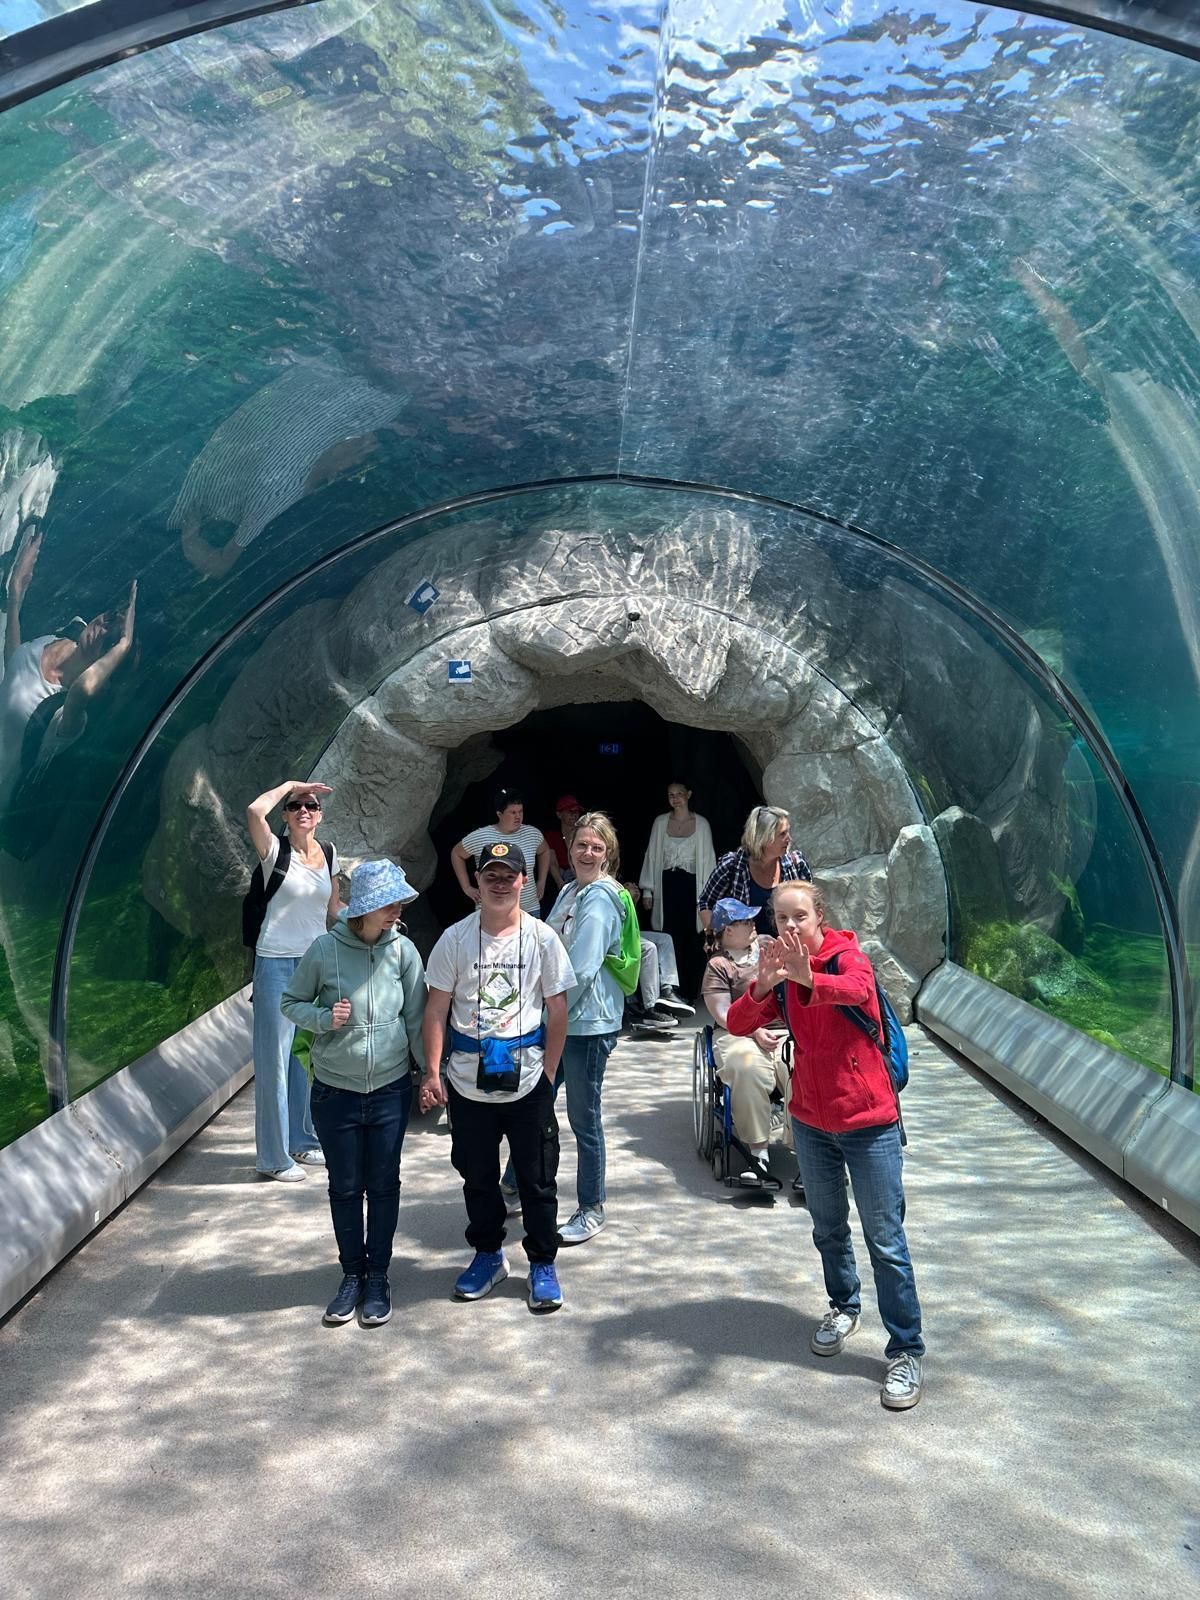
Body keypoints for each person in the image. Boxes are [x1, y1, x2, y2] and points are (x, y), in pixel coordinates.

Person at [727, 880, 924, 1411]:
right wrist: (763, 985)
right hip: (812, 1123)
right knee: (828, 1227)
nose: (790, 926)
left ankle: (906, 1349)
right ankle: (843, 1306)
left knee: (885, 1240)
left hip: (868, 1122)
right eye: (781, 918)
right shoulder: (780, 970)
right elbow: (737, 1022)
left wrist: (807, 976)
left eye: (800, 916)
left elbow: (857, 991)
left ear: (819, 918)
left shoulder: (846, 957)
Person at [421, 841, 574, 1312]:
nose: (500, 883)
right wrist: (432, 1071)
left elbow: (558, 1008)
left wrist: (549, 1072)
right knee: (478, 1176)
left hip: (527, 1080)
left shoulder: (543, 939)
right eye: (491, 875)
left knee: (537, 1177)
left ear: (524, 882)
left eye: (509, 876)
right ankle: (488, 1255)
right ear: (477, 882)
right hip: (468, 1081)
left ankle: (542, 1263)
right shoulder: (455, 939)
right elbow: (436, 1009)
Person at [280, 860, 426, 1327]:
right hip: (334, 1092)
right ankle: (352, 1275)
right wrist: (324, 1019)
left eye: (399, 903)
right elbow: (290, 1002)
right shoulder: (324, 950)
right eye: (389, 903)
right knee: (344, 1187)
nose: (397, 911)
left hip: (389, 1089)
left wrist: (430, 1074)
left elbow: (417, 1018)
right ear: (364, 908)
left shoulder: (404, 951)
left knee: (383, 1186)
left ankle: (378, 1276)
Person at [0, 523, 137, 807]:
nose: (101, 629)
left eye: (110, 639)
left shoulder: (70, 717)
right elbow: (14, 667)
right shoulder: (58, 637)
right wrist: (16, 594)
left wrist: (125, 644)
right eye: (109, 619)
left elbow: (81, 691)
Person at [245, 779, 340, 1181]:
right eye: (296, 805)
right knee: (274, 1061)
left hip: (313, 965)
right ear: (285, 814)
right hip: (276, 964)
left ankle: (302, 1139)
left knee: (305, 1057)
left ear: (320, 815)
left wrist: (375, 920)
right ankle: (273, 1157)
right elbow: (254, 811)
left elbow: (333, 909)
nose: (304, 810)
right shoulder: (274, 850)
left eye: (311, 805)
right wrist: (291, 785)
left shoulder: (329, 853)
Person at [545, 812, 627, 1245]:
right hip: (564, 1019)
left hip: (585, 1024)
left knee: (583, 1118)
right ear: (569, 846)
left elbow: (582, 966)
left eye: (597, 847)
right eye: (582, 845)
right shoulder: (570, 890)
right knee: (535, 1103)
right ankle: (515, 1184)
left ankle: (592, 1208)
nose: (588, 852)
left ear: (607, 853)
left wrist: (550, 1016)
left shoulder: (599, 899)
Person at [701, 897, 790, 1180]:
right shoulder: (719, 965)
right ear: (728, 930)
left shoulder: (766, 945)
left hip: (782, 1029)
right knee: (746, 1067)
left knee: (800, 1066)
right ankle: (759, 1154)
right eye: (746, 921)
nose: (753, 924)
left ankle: (808, 1151)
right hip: (737, 1032)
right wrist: (754, 1031)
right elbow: (723, 1014)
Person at [639, 781, 715, 998]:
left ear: (688, 795)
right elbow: (652, 856)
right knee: (669, 935)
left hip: (692, 887)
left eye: (679, 794)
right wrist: (647, 890)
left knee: (693, 936)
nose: (675, 798)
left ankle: (691, 991)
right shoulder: (660, 822)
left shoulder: (701, 824)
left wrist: (709, 897)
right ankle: (670, 989)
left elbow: (709, 860)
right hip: (667, 886)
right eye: (671, 794)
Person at [698, 804, 811, 939]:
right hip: (744, 949)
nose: (789, 839)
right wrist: (716, 939)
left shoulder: (796, 864)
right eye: (782, 834)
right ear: (764, 838)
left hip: (789, 945)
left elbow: (811, 907)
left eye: (788, 832)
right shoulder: (733, 866)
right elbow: (706, 903)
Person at [452, 787, 550, 917]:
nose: (518, 816)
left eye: (520, 811)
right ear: (499, 814)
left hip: (529, 909)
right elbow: (457, 853)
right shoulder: (481, 836)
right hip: (491, 913)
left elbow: (545, 851)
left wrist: (541, 881)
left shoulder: (532, 834)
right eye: (513, 812)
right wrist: (466, 887)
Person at [544, 793, 582, 891]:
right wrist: (560, 883)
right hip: (561, 879)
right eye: (570, 811)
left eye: (576, 811)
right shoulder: (551, 836)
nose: (574, 814)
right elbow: (552, 863)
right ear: (559, 814)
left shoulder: (583, 833)